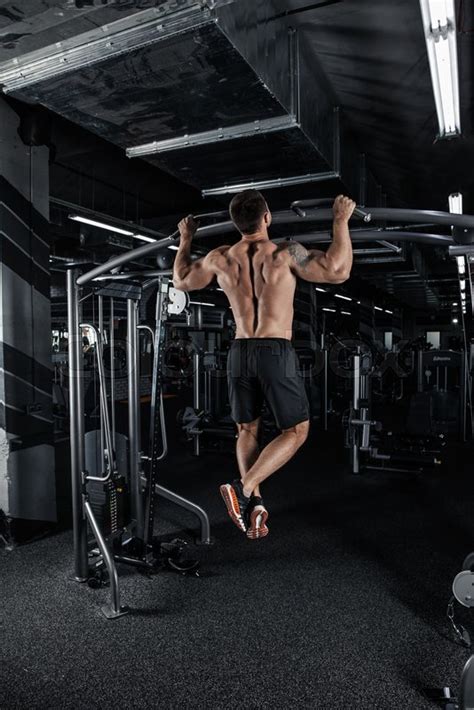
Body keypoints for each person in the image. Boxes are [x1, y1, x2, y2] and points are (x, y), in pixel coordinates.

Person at [173, 190, 355, 540]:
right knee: (297, 431)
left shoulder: (219, 257)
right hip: (274, 348)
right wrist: (340, 220)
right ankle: (244, 486)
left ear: (237, 223)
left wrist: (186, 239)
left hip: (239, 350)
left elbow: (180, 280)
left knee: (247, 430)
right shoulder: (286, 252)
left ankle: (254, 504)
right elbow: (338, 270)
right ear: (267, 218)